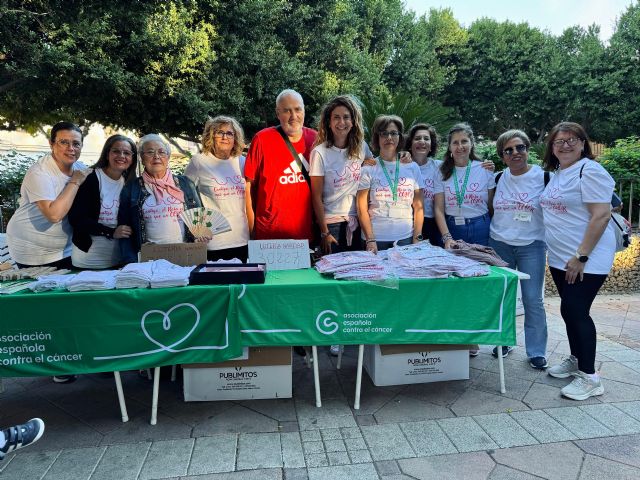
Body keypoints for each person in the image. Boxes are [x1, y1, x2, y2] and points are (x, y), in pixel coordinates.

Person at [539, 122, 616, 400]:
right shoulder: (559, 173)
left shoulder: (590, 170)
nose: (565, 145)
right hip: (561, 258)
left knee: (576, 310)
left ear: (584, 144)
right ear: (552, 148)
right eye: (559, 141)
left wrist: (581, 256)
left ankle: (590, 377)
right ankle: (575, 358)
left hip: (585, 259)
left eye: (572, 139)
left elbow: (601, 215)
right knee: (568, 310)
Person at [489, 130, 549, 367]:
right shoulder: (496, 178)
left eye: (520, 147)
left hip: (531, 245)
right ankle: (504, 340)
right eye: (509, 150)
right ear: (502, 156)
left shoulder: (545, 177)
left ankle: (536, 351)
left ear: (528, 149)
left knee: (533, 299)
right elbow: (490, 207)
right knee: (503, 296)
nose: (516, 153)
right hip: (499, 243)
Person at [7, 122, 89, 269]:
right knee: (45, 290)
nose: (71, 148)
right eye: (64, 142)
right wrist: (75, 182)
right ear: (51, 144)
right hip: (32, 249)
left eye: (76, 144)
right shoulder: (39, 172)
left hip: (66, 248)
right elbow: (53, 215)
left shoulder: (80, 168)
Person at [118, 134, 204, 264]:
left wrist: (201, 237)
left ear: (168, 157)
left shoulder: (186, 184)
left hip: (185, 255)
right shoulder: (131, 189)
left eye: (161, 152)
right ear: (142, 157)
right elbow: (125, 231)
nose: (156, 156)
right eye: (150, 152)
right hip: (148, 259)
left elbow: (199, 219)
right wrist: (131, 263)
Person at [244, 89, 317, 242]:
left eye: (298, 109)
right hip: (269, 233)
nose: (293, 116)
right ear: (278, 113)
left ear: (304, 110)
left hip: (307, 234)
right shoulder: (262, 139)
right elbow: (249, 188)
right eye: (286, 111)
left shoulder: (316, 139)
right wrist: (252, 232)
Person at [310, 95, 375, 256]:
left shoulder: (361, 147)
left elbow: (378, 166)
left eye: (346, 117)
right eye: (336, 118)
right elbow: (316, 197)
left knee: (357, 274)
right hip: (332, 224)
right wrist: (324, 232)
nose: (341, 122)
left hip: (359, 220)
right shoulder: (319, 153)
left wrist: (403, 157)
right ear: (329, 122)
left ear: (353, 121)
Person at [185, 116, 250, 262]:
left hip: (242, 237)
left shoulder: (242, 161)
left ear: (236, 138)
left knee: (242, 283)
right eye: (220, 132)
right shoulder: (199, 161)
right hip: (214, 240)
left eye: (229, 133)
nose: (224, 137)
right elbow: (185, 195)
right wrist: (196, 227)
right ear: (211, 136)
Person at [357, 115, 424, 254]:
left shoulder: (412, 167)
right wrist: (370, 239)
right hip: (375, 240)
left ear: (400, 137)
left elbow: (418, 207)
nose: (389, 137)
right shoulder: (368, 169)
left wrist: (417, 239)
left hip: (405, 238)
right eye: (384, 133)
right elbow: (361, 208)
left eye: (393, 133)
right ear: (377, 137)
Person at [68, 135, 136, 269]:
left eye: (127, 153)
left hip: (120, 260)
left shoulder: (130, 183)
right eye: (116, 151)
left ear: (132, 158)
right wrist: (111, 232)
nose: (121, 156)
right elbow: (77, 219)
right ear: (107, 154)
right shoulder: (90, 178)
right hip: (89, 260)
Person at [433, 123, 495, 249]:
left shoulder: (485, 169)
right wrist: (447, 237)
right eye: (455, 142)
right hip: (452, 229)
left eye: (464, 141)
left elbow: (491, 206)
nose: (460, 146)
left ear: (471, 144)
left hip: (481, 227)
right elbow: (438, 209)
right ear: (449, 147)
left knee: (482, 267)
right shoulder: (441, 171)